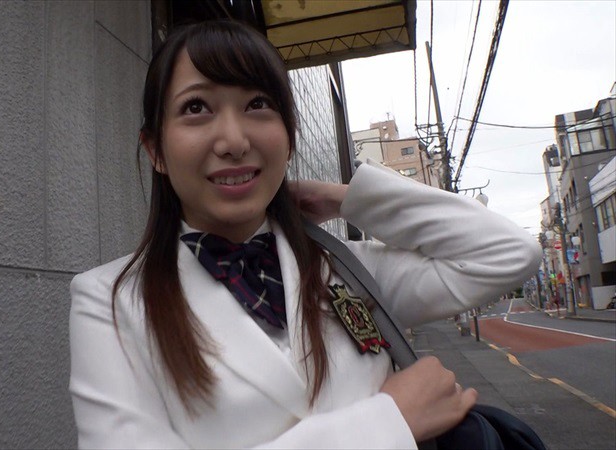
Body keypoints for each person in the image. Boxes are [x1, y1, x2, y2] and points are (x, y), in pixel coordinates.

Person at [69, 20, 541, 449]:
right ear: (156, 149)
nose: (234, 141)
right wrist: (388, 422)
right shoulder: (110, 302)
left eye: (258, 104)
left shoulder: (348, 270)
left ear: (289, 136)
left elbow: (508, 253)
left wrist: (347, 198)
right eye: (196, 107)